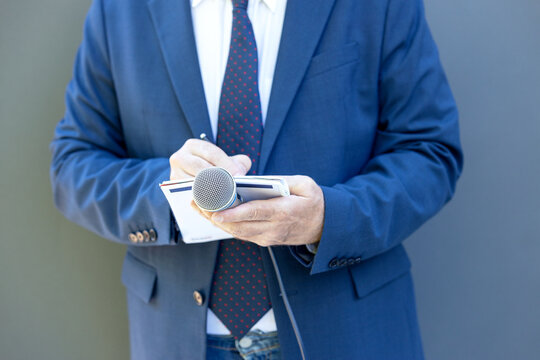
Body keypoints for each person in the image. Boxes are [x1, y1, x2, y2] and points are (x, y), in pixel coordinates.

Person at [50, 0, 463, 358]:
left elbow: (429, 151)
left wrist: (328, 220)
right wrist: (167, 189)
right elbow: (72, 166)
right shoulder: (119, 11)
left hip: (346, 331)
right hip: (178, 336)